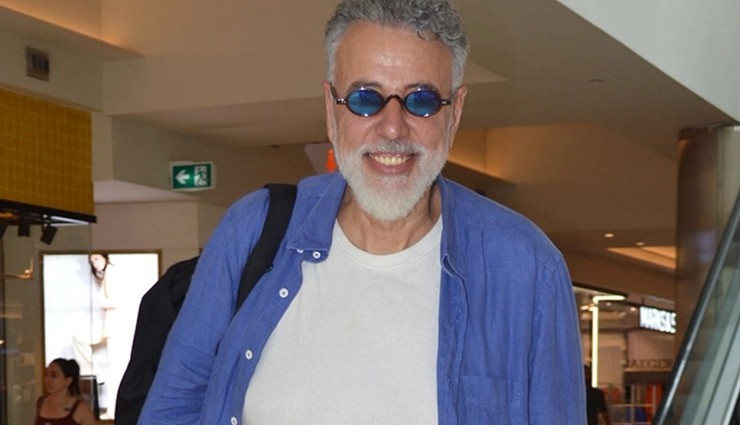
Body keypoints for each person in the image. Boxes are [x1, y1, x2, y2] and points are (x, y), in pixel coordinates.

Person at [140, 0, 586, 423]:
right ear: (331, 109)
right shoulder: (253, 229)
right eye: (365, 98)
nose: (392, 128)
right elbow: (172, 409)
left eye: (422, 100)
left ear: (455, 113)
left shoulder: (526, 268)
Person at [35, 358, 96, 425]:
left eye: (54, 375)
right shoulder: (42, 402)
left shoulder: (81, 409)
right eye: (46, 374)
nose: (48, 379)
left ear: (68, 381)